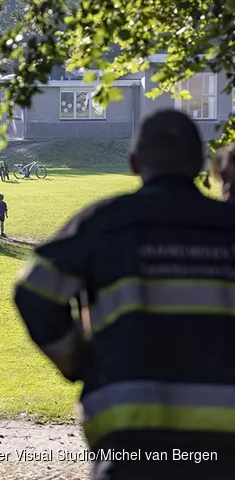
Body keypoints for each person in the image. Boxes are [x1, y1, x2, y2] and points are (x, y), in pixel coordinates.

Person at [13, 108, 235, 479]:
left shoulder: (104, 223)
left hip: (131, 439)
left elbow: (34, 290)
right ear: (200, 163)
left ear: (134, 163)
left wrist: (76, 360)